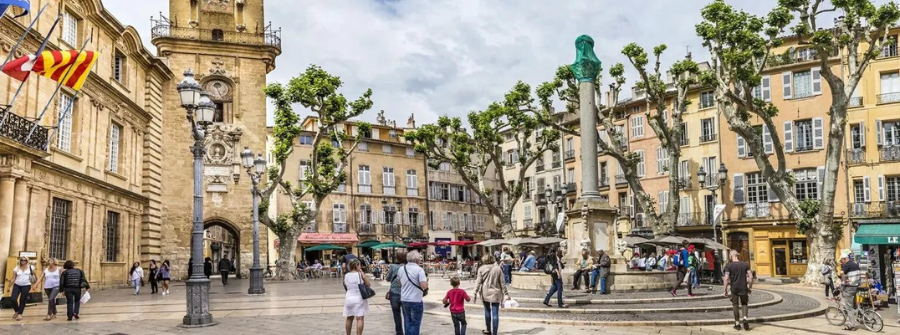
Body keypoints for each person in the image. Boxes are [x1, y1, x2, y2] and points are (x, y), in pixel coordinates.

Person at [474, 254, 509, 335]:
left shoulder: (481, 269)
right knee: (495, 313)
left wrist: (474, 292)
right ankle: (495, 333)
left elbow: (478, 282)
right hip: (496, 293)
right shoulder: (498, 269)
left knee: (487, 310)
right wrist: (506, 294)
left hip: (485, 292)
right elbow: (502, 283)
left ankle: (488, 329)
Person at [398, 250, 428, 335]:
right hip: (416, 299)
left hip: (404, 299)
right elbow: (423, 286)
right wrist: (426, 282)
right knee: (415, 323)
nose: (420, 260)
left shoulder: (401, 269)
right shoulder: (419, 270)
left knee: (407, 322)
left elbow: (399, 283)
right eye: (419, 258)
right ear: (416, 260)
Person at [723, 250, 753, 331]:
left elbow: (726, 278)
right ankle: (745, 318)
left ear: (731, 256)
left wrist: (725, 289)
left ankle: (737, 323)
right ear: (737, 255)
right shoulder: (745, 264)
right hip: (743, 287)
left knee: (735, 305)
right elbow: (751, 277)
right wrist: (749, 287)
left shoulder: (728, 265)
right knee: (744, 303)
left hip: (734, 288)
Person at [343, 259, 370, 335]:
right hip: (359, 298)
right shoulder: (360, 274)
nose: (361, 266)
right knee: (360, 318)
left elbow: (346, 286)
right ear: (357, 265)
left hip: (349, 298)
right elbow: (368, 284)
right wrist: (362, 274)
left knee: (349, 318)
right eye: (360, 265)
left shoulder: (346, 275)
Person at [385, 252, 407, 335]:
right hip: (405, 293)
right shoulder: (407, 267)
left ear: (397, 258)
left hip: (394, 293)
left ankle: (399, 332)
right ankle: (407, 330)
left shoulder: (393, 266)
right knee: (406, 314)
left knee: (396, 314)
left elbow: (387, 278)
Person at [839, 251, 862, 331]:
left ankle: (852, 325)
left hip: (850, 287)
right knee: (855, 305)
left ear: (844, 259)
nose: (841, 262)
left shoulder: (847, 265)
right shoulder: (855, 264)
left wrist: (844, 280)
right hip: (856, 286)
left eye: (841, 260)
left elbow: (841, 273)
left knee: (849, 307)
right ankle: (859, 317)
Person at [7, 257, 34, 321]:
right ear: (20, 261)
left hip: (26, 285)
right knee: (13, 299)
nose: (23, 261)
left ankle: (20, 314)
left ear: (27, 261)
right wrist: (9, 286)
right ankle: (16, 311)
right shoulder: (16, 268)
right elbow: (13, 278)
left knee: (22, 299)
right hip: (17, 285)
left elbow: (35, 276)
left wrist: (34, 285)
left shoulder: (31, 267)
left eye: (25, 260)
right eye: (22, 260)